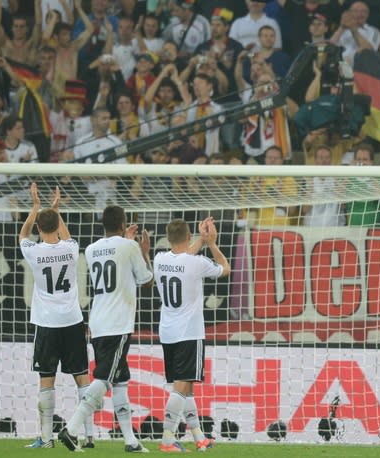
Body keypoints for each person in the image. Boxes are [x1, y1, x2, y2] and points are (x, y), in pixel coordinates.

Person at [59, 205, 153, 453]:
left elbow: (115, 258)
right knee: (105, 378)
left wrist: (128, 243)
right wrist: (144, 252)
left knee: (120, 381)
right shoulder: (129, 246)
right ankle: (71, 428)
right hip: (118, 323)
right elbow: (146, 280)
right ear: (123, 225)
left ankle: (130, 441)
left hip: (98, 323)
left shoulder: (91, 249)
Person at [19, 183, 94, 449]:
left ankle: (47, 439)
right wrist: (55, 208)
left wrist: (36, 207)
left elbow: (23, 235)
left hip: (47, 323)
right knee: (82, 377)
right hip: (72, 321)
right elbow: (66, 234)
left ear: (40, 228)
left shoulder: (34, 251)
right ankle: (89, 436)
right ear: (57, 225)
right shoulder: (71, 249)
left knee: (46, 379)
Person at [154, 217, 231, 453]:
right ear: (188, 238)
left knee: (186, 388)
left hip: (167, 332)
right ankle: (167, 439)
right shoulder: (197, 263)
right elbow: (225, 269)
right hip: (189, 332)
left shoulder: (158, 259)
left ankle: (199, 437)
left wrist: (201, 239)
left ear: (168, 238)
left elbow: (183, 255)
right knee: (181, 387)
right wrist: (212, 243)